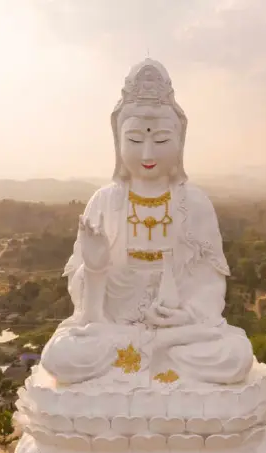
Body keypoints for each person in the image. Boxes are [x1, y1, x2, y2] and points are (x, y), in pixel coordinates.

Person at [40, 58, 253, 388]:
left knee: (234, 355)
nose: (148, 152)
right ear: (118, 142)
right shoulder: (104, 202)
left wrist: (188, 314)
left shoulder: (195, 203)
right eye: (136, 140)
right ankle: (151, 352)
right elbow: (86, 311)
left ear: (180, 142)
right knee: (61, 355)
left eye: (162, 139)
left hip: (179, 330)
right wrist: (95, 269)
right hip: (113, 329)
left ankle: (154, 350)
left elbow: (211, 282)